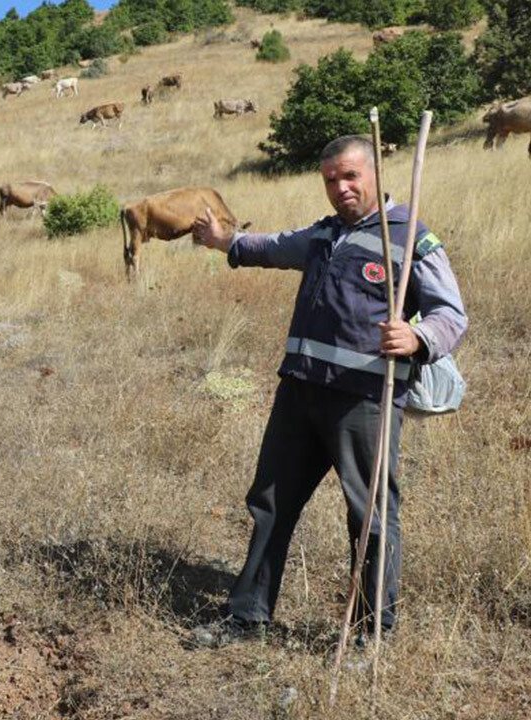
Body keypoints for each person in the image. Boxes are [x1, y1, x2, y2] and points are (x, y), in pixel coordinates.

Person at [188, 135, 467, 647]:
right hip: (299, 393)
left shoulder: (409, 238)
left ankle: (369, 632)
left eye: (350, 176)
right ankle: (247, 616)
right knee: (271, 501)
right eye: (331, 180)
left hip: (363, 400)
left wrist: (418, 337)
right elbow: (272, 248)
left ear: (375, 175)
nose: (340, 188)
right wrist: (223, 241)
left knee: (370, 516)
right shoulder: (323, 234)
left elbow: (452, 313)